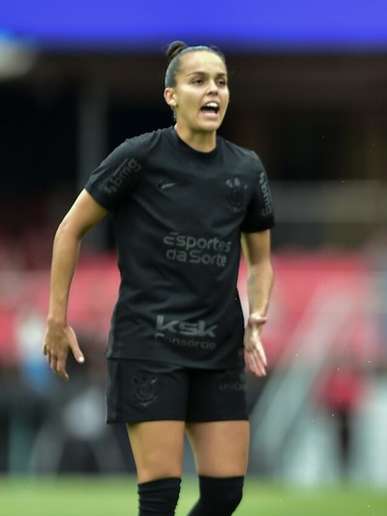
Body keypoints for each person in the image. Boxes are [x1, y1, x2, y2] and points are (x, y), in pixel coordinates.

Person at [43, 41, 275, 516]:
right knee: (160, 498)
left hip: (219, 346)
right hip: (150, 344)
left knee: (225, 494)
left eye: (221, 81)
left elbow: (262, 261)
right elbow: (70, 230)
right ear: (171, 96)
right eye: (198, 81)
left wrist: (256, 316)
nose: (213, 90)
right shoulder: (139, 157)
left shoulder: (247, 169)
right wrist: (55, 318)